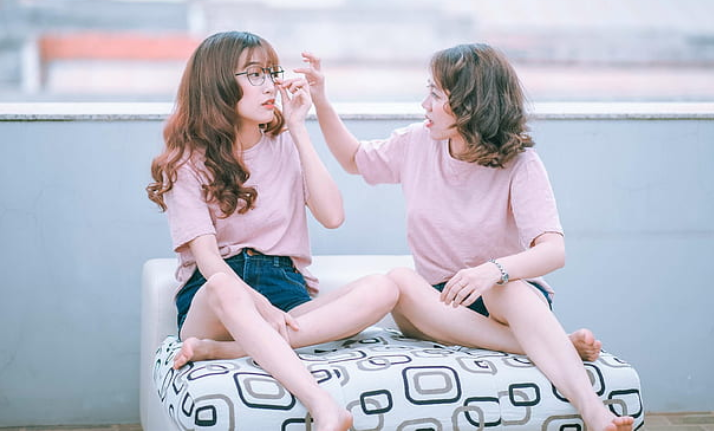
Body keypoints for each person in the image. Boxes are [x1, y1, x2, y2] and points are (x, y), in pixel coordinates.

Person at [302, 43, 635, 431]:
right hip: (437, 307)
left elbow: (553, 251)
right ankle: (556, 344)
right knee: (398, 281)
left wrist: (490, 272)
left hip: (505, 300)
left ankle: (594, 412)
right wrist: (320, 99)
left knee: (504, 289)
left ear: (470, 105)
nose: (424, 104)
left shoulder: (520, 163)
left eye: (436, 94)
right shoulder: (417, 142)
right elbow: (354, 159)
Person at [146, 31, 399, 431]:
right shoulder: (185, 162)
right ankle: (324, 405)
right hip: (215, 297)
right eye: (254, 74)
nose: (270, 86)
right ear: (217, 84)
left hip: (286, 292)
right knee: (223, 287)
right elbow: (209, 260)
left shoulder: (284, 142)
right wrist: (257, 307)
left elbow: (333, 215)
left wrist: (299, 128)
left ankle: (229, 351)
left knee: (385, 288)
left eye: (270, 73)